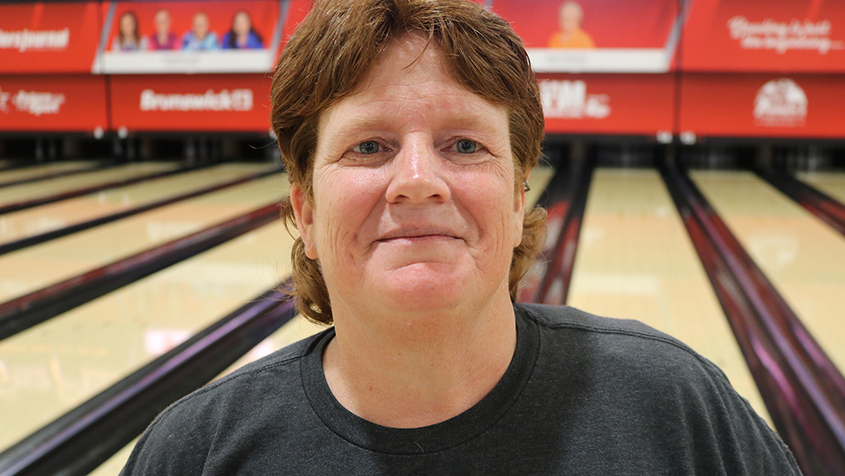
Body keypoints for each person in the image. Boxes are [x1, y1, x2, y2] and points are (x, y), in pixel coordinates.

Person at [120, 0, 801, 474]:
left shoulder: (674, 408)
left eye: (465, 144)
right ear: (303, 207)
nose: (418, 181)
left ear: (515, 196)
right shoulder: (196, 452)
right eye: (368, 146)